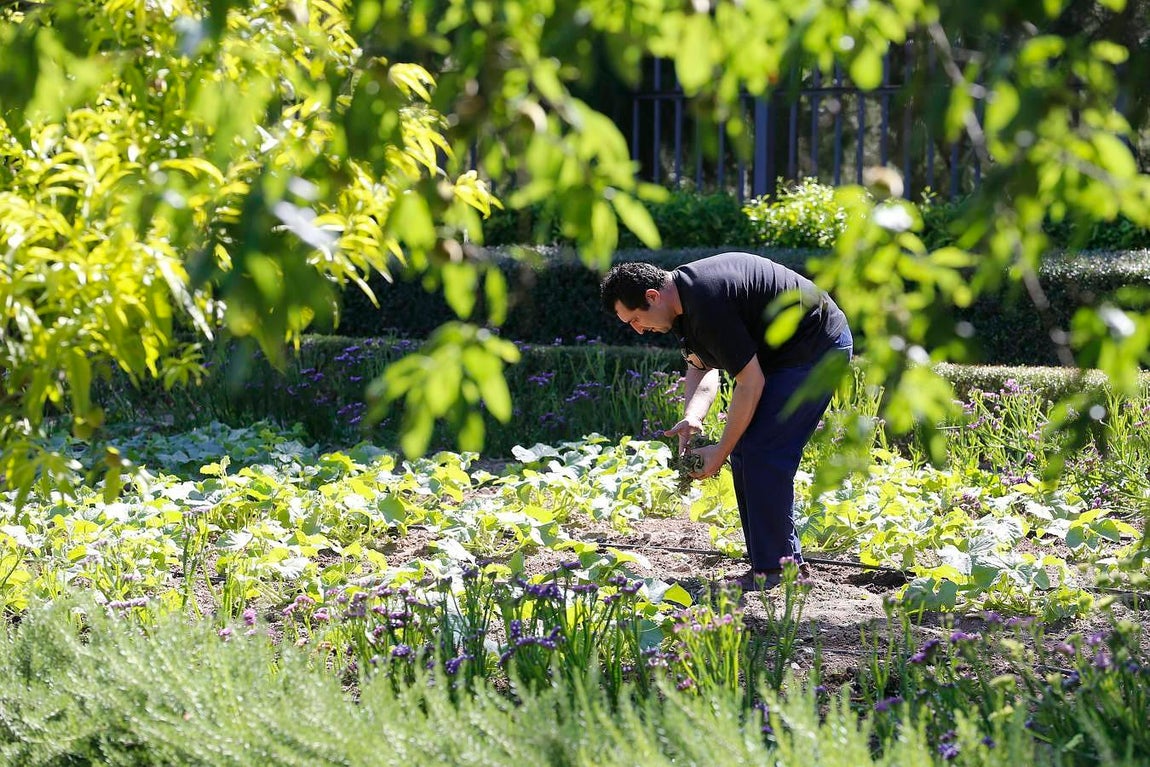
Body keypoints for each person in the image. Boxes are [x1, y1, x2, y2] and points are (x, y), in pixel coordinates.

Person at [599, 252, 853, 590]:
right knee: (748, 451)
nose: (639, 331)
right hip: (782, 354)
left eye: (634, 320)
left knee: (762, 450)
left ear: (652, 297)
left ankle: (778, 571)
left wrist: (719, 452)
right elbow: (701, 366)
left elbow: (751, 382)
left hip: (817, 347)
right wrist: (693, 416)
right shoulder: (680, 304)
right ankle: (771, 566)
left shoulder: (706, 301)